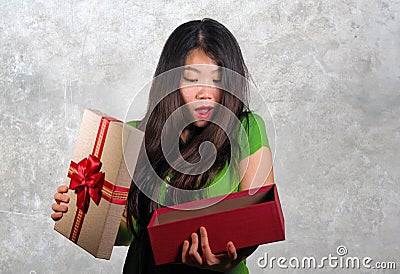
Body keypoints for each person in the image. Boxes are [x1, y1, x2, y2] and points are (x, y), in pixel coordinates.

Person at [52, 18, 274, 273]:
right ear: (171, 82)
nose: (205, 92)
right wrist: (82, 212)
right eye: (192, 79)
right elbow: (127, 233)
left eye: (217, 80)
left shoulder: (247, 129)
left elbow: (259, 221)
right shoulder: (134, 134)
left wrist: (229, 260)